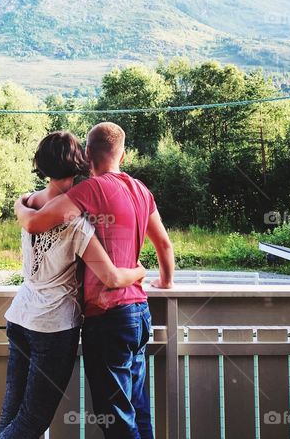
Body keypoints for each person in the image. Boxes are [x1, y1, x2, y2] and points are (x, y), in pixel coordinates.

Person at [15, 122, 175, 439]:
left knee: (115, 417)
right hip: (139, 313)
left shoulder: (89, 190)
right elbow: (165, 245)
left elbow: (35, 223)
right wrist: (165, 283)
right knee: (139, 408)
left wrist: (20, 203)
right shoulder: (141, 190)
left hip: (107, 317)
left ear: (88, 154)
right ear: (123, 155)